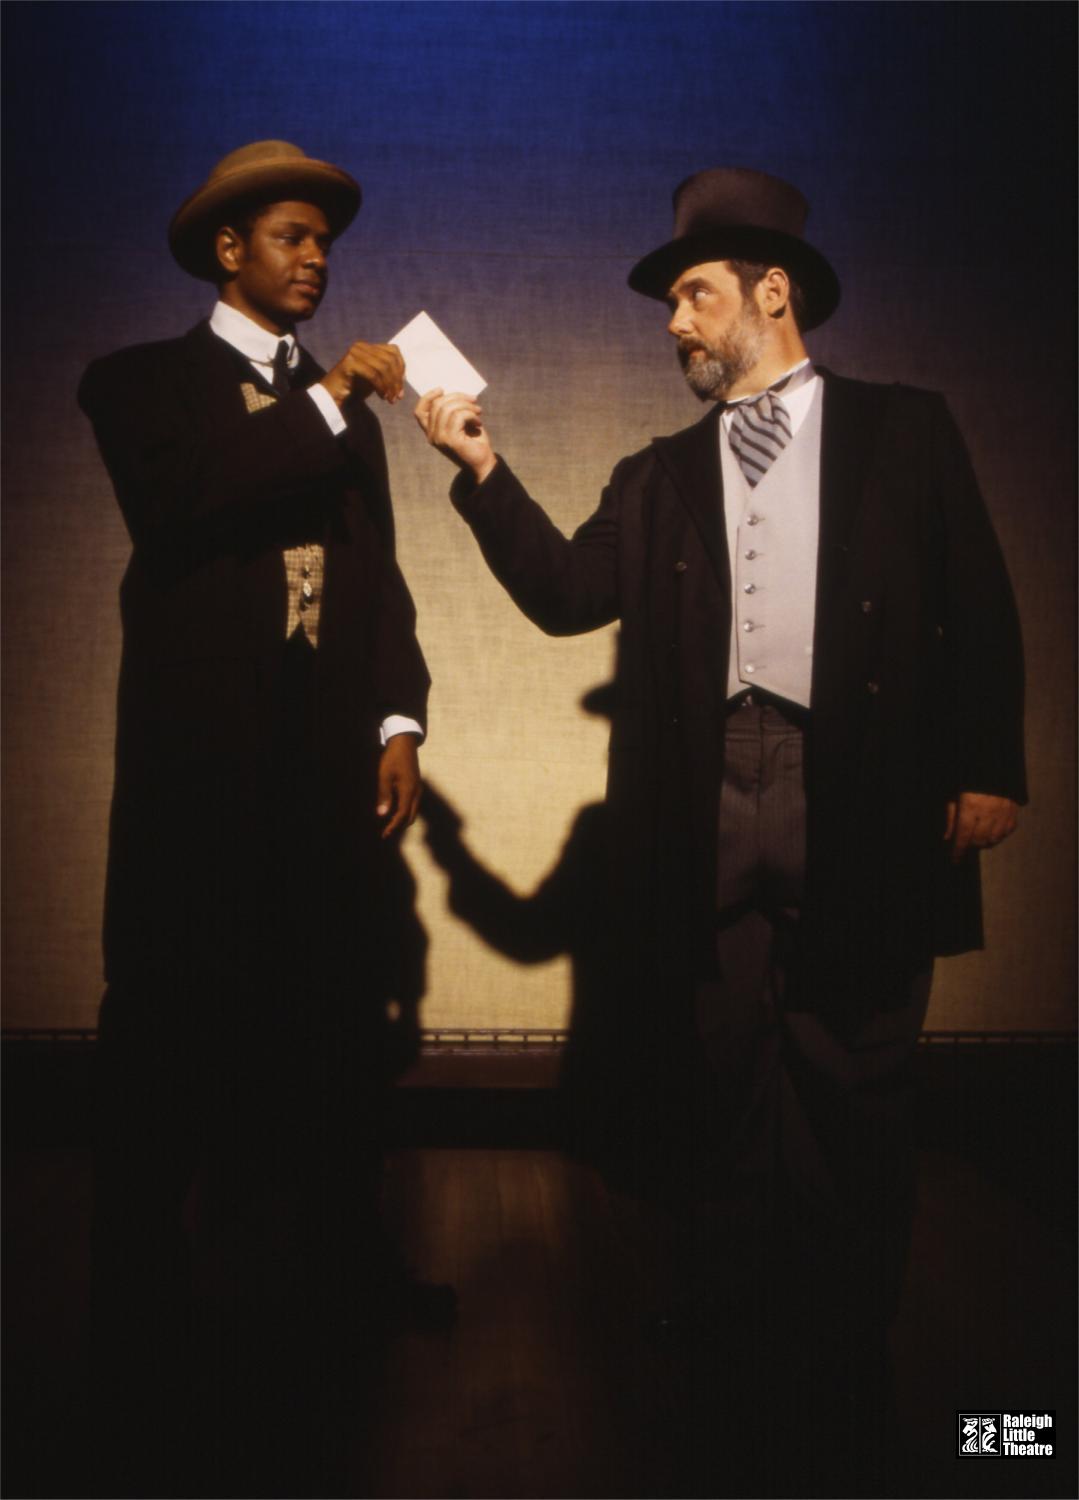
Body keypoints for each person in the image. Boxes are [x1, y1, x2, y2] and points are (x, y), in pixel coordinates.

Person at [415, 168, 1026, 1478]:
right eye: (673, 302)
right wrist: (481, 468)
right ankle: (743, 1345)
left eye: (693, 294)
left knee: (854, 1085)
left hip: (860, 793)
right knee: (727, 1083)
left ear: (772, 292)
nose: (674, 321)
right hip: (706, 806)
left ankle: (848, 1359)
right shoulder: (659, 474)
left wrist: (990, 765)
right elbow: (567, 595)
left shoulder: (905, 429)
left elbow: (977, 599)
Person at [79, 140, 444, 1489]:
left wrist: (396, 718)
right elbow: (190, 497)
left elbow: (376, 573)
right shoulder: (141, 383)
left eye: (324, 240)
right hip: (200, 774)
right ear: (229, 251)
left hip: (316, 769)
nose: (317, 258)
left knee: (329, 1025)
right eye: (292, 236)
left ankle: (337, 1276)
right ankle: (137, 1303)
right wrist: (335, 397)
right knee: (168, 1025)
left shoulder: (340, 414)